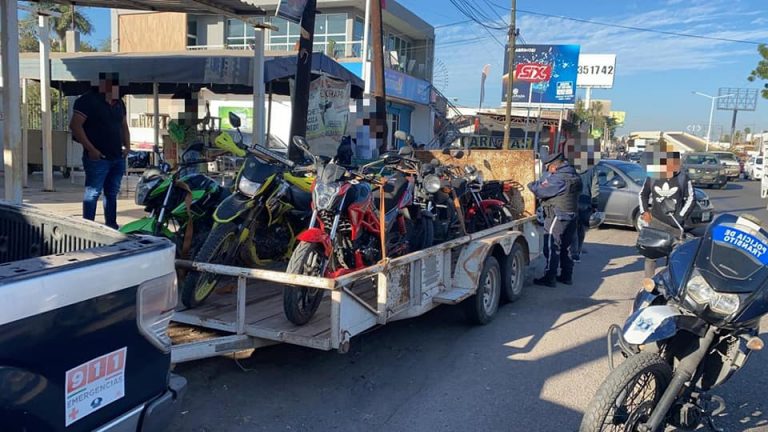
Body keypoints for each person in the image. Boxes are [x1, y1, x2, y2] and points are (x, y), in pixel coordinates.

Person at [70, 73, 130, 230]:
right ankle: (87, 227)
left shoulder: (119, 103)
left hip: (117, 156)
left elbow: (124, 125)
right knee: (93, 193)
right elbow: (75, 126)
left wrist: (127, 146)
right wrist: (92, 150)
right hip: (98, 158)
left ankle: (111, 225)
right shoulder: (87, 101)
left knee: (111, 193)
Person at [528, 152, 583, 287]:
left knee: (552, 245)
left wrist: (530, 184)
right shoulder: (574, 174)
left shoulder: (558, 178)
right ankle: (566, 276)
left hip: (557, 215)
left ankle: (550, 277)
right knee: (567, 246)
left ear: (553, 166)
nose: (548, 171)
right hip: (572, 214)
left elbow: (540, 190)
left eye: (548, 168)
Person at [638, 150, 695, 277]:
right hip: (656, 222)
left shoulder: (683, 179)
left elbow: (691, 198)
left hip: (675, 226)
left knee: (673, 257)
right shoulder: (652, 177)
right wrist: (644, 211)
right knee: (650, 256)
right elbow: (643, 194)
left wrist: (681, 216)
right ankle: (649, 284)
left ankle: (669, 282)